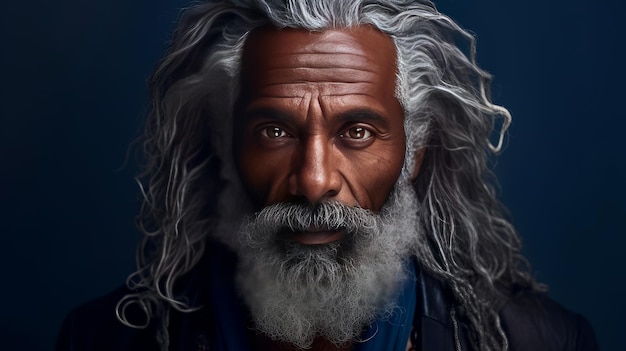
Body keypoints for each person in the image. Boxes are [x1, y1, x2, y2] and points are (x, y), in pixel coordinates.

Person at [56, 0, 598, 350]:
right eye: (275, 132)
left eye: (357, 132)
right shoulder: (102, 341)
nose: (314, 182)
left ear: (413, 151)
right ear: (226, 144)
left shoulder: (540, 342)